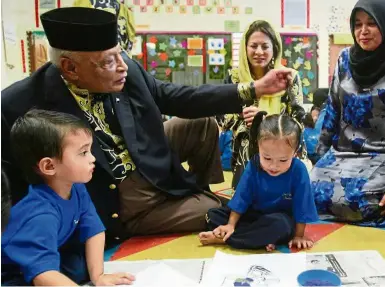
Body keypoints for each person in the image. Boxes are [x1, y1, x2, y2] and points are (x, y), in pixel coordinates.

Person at [1, 7, 293, 245]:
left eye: (120, 54)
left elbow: (176, 97)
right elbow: (13, 186)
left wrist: (254, 88)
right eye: (108, 61)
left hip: (146, 155)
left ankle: (195, 195)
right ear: (70, 68)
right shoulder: (19, 105)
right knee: (216, 210)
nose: (122, 66)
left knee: (201, 124)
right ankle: (198, 207)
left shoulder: (125, 70)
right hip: (113, 191)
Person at [1, 110, 135, 286]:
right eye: (83, 153)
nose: (92, 158)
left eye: (90, 149)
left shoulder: (76, 187)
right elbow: (43, 274)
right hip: (11, 272)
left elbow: (93, 230)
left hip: (51, 251)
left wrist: (99, 276)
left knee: (79, 268)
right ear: (49, 166)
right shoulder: (39, 215)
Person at [311, 0, 385, 227]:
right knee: (310, 191)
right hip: (342, 152)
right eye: (358, 24)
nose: (363, 31)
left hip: (380, 155)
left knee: (359, 198)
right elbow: (333, 109)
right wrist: (318, 160)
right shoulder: (344, 60)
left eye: (372, 23)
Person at [199, 113, 318, 251]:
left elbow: (302, 206)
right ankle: (258, 238)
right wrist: (230, 225)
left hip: (279, 219)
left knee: (281, 226)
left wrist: (299, 236)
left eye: (283, 160)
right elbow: (241, 198)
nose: (274, 166)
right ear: (258, 147)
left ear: (295, 152)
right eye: (267, 158)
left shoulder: (298, 170)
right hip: (254, 215)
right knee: (213, 215)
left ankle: (229, 239)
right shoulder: (254, 164)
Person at [221, 20, 306, 188]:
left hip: (282, 145)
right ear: (245, 48)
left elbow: (299, 121)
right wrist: (241, 115)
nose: (259, 52)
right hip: (246, 148)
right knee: (245, 204)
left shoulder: (288, 76)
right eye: (253, 46)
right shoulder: (234, 78)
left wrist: (267, 121)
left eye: (265, 46)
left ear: (274, 48)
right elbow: (224, 121)